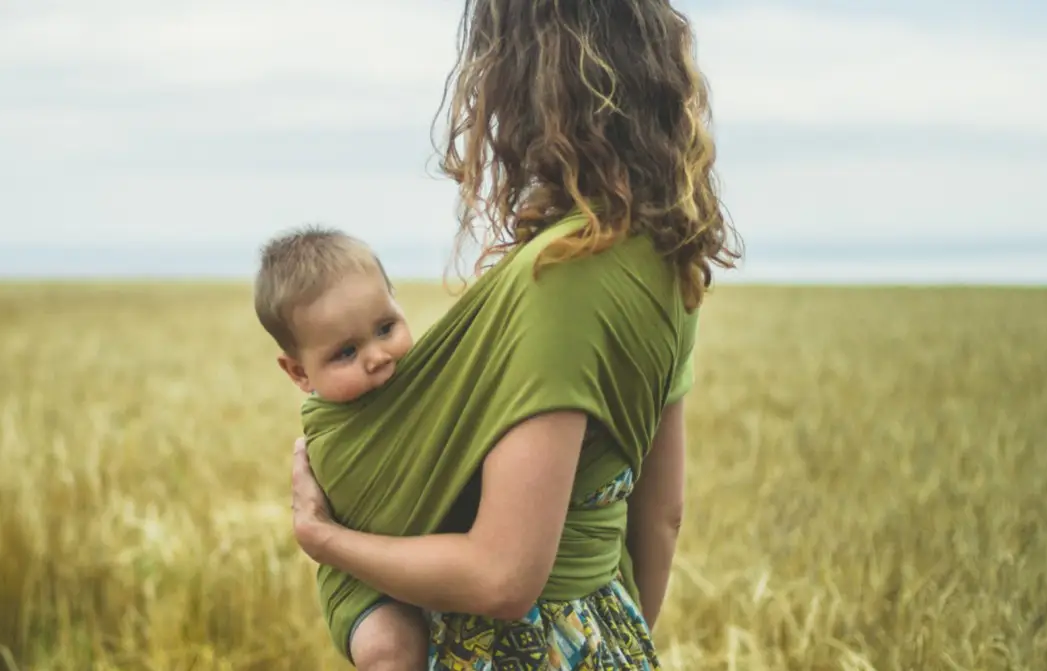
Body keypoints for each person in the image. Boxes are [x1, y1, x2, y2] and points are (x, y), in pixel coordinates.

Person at [287, 0, 740, 667]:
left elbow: (502, 577)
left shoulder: (559, 273)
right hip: (607, 633)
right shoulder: (671, 256)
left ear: (525, 83)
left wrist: (322, 538)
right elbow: (661, 514)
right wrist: (608, 640)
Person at [251, 225, 432, 671]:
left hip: (423, 558)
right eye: (346, 353)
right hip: (361, 581)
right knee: (390, 649)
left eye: (386, 328)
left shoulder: (422, 381)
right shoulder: (331, 430)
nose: (377, 356)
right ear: (300, 373)